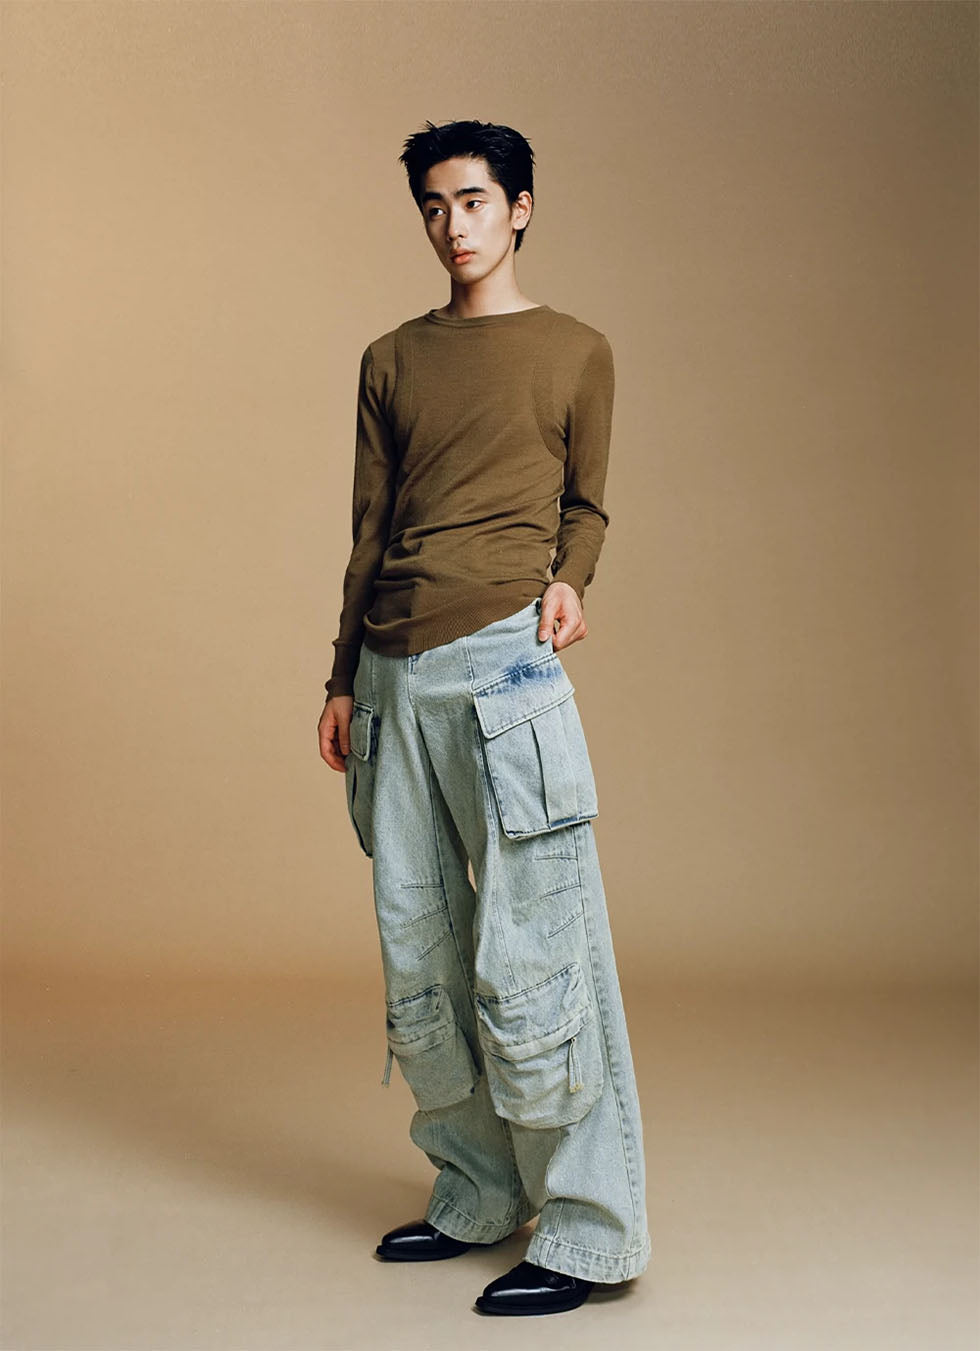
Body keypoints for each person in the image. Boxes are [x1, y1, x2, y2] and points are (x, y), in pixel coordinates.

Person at [317, 118, 651, 1317]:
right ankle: (474, 1191)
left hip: (504, 668)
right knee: (418, 948)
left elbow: (586, 504)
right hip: (391, 673)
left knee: (537, 953)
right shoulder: (390, 358)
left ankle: (589, 1229)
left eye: (471, 201)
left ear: (518, 209)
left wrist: (571, 580)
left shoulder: (574, 351)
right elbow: (369, 530)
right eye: (432, 205)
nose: (450, 225)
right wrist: (340, 676)